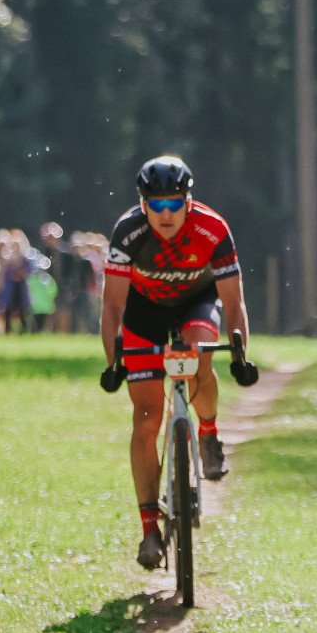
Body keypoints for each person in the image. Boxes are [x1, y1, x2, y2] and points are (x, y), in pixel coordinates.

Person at [98, 155, 258, 570]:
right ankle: (149, 529)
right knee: (146, 417)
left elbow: (233, 303)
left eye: (174, 204)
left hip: (195, 304)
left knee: (200, 354)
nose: (166, 214)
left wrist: (240, 354)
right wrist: (114, 363)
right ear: (143, 204)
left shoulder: (213, 229)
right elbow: (112, 307)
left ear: (188, 202)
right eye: (157, 205)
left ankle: (208, 433)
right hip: (143, 314)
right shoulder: (128, 232)